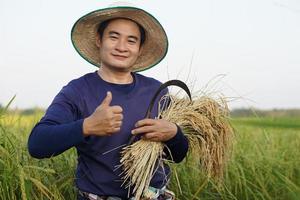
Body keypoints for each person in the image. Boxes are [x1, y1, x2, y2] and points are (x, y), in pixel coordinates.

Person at [28, 4, 188, 200]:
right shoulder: (77, 91)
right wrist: (87, 126)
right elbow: (37, 143)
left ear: (139, 48)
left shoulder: (157, 91)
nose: (121, 47)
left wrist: (173, 134)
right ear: (99, 40)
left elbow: (178, 154)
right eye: (113, 37)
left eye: (131, 40)